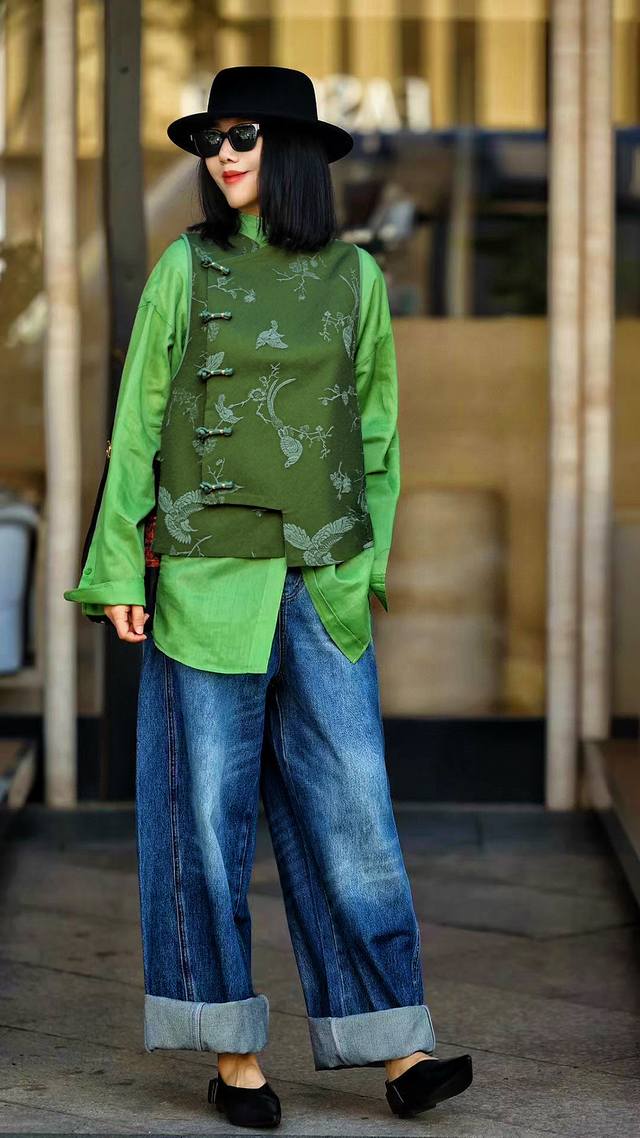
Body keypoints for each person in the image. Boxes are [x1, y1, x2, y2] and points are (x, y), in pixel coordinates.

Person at [64, 66, 473, 1129]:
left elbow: (376, 430)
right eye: (211, 138)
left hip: (321, 584)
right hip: (206, 580)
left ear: (290, 149)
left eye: (241, 134)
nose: (222, 155)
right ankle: (234, 1055)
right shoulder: (185, 265)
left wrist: (364, 568)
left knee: (353, 814)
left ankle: (399, 1048)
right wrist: (116, 566)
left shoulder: (355, 276)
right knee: (202, 820)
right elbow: (137, 420)